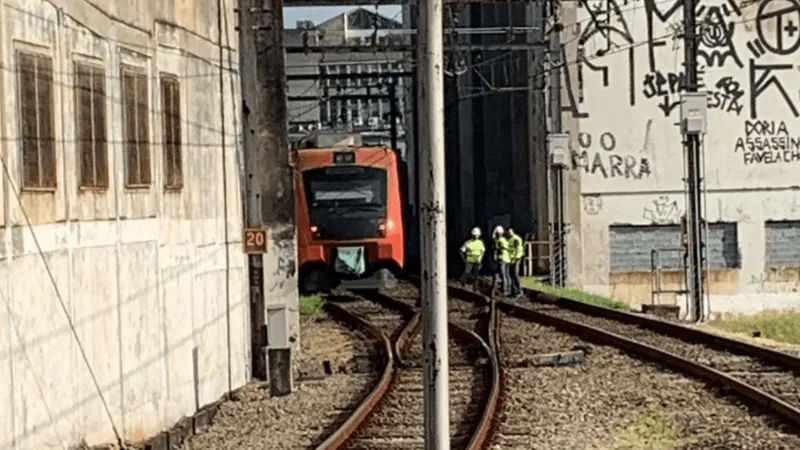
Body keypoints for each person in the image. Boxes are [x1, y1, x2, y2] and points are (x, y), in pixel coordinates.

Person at [459, 227, 486, 292]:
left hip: (477, 261)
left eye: (476, 235)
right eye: (474, 235)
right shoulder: (468, 242)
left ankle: (475, 288)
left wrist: (480, 259)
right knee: (466, 273)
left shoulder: (480, 242)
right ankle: (462, 284)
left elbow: (483, 251)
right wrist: (464, 259)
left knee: (476, 275)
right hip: (469, 261)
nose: (475, 236)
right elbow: (461, 251)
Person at [492, 225, 511, 297]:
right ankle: (508, 289)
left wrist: (495, 257)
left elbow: (496, 249)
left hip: (502, 259)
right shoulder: (505, 240)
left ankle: (504, 290)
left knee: (503, 275)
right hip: (507, 258)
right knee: (507, 274)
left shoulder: (498, 240)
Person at [506, 227, 524, 298]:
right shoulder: (509, 239)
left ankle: (519, 291)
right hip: (511, 259)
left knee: (515, 274)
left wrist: (514, 258)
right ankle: (514, 291)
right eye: (508, 232)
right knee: (511, 274)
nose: (509, 233)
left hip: (516, 258)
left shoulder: (516, 239)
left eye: (510, 232)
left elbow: (518, 249)